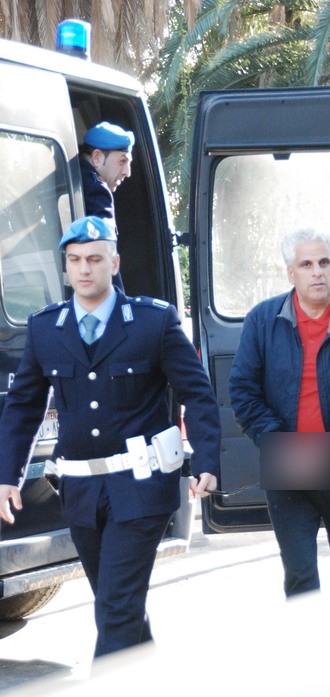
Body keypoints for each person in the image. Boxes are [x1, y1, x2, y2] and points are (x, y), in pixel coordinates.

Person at [0, 215, 221, 658]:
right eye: (75, 260)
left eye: (95, 259)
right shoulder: (45, 328)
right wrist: (8, 474)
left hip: (142, 488)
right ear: (66, 267)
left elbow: (197, 393)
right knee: (118, 602)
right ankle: (145, 683)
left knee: (115, 608)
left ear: (114, 263)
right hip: (81, 492)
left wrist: (208, 460)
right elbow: (23, 406)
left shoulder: (153, 322)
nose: (84, 268)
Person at [229, 228, 330, 597]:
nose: (316, 272)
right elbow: (243, 391)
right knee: (301, 580)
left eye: (324, 263)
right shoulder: (261, 320)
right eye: (306, 264)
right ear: (291, 272)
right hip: (288, 463)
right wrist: (277, 441)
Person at [79, 121, 135, 290]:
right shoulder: (98, 191)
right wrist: (118, 300)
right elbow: (104, 253)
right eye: (122, 161)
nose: (127, 172)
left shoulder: (75, 176)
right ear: (97, 157)